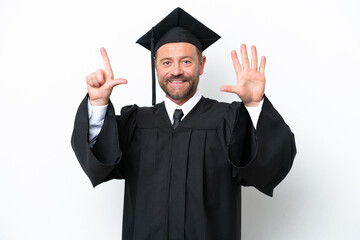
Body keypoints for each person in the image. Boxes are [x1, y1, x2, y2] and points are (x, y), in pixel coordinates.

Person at [71, 7, 296, 240]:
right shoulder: (135, 123)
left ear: (201, 64)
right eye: (167, 63)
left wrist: (255, 104)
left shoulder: (229, 120)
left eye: (186, 61)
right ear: (156, 66)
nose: (176, 71)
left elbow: (267, 167)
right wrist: (97, 103)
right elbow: (99, 163)